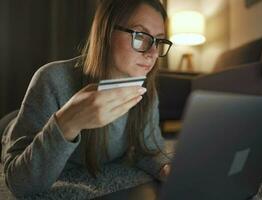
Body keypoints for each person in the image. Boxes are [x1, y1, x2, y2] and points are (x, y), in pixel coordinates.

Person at [1, 0, 173, 197]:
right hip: (13, 126)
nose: (152, 52)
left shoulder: (145, 90)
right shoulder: (52, 79)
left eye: (159, 41)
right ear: (106, 31)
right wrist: (67, 123)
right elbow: (20, 185)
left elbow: (149, 149)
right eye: (140, 35)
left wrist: (165, 168)